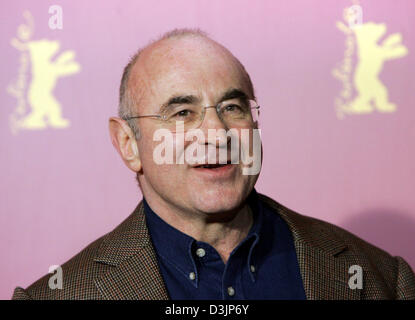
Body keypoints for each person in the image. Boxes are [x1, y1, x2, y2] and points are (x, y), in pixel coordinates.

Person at [12, 29, 415, 300]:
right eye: (183, 112)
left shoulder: (379, 278)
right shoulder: (61, 295)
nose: (216, 132)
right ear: (128, 143)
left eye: (232, 107)